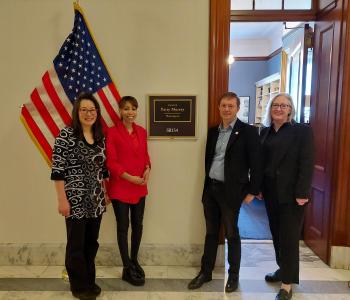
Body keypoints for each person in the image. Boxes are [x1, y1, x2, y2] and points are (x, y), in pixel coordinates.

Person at [188, 92, 262, 293]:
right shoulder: (213, 132)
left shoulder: (248, 132)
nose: (227, 109)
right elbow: (209, 160)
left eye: (231, 106)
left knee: (231, 233)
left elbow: (256, 165)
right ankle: (206, 272)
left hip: (232, 193)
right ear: (219, 108)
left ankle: (234, 275)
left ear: (238, 108)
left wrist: (252, 191)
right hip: (211, 190)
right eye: (223, 106)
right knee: (211, 232)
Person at [51, 93, 109, 300]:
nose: (88, 113)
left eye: (92, 110)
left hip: (96, 201)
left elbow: (103, 170)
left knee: (91, 243)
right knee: (76, 244)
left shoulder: (100, 136)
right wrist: (61, 199)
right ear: (77, 112)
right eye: (84, 109)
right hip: (74, 201)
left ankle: (89, 281)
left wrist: (106, 194)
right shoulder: (66, 135)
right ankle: (78, 286)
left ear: (97, 113)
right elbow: (58, 170)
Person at [260, 93, 314, 300]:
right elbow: (262, 164)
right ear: (270, 109)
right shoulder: (265, 132)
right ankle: (283, 269)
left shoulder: (301, 131)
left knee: (290, 239)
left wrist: (302, 193)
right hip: (271, 192)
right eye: (275, 105)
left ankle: (287, 284)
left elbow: (307, 163)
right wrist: (259, 188)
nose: (279, 108)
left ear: (290, 109)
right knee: (276, 235)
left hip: (293, 195)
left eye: (284, 105)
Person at [106, 96, 151, 286]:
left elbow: (145, 155)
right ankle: (126, 267)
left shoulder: (141, 131)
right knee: (123, 227)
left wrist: (148, 168)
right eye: (126, 109)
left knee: (138, 224)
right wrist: (128, 177)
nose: (130, 112)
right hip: (120, 187)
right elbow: (111, 161)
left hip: (139, 186)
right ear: (120, 111)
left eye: (133, 109)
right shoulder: (112, 132)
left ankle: (134, 260)